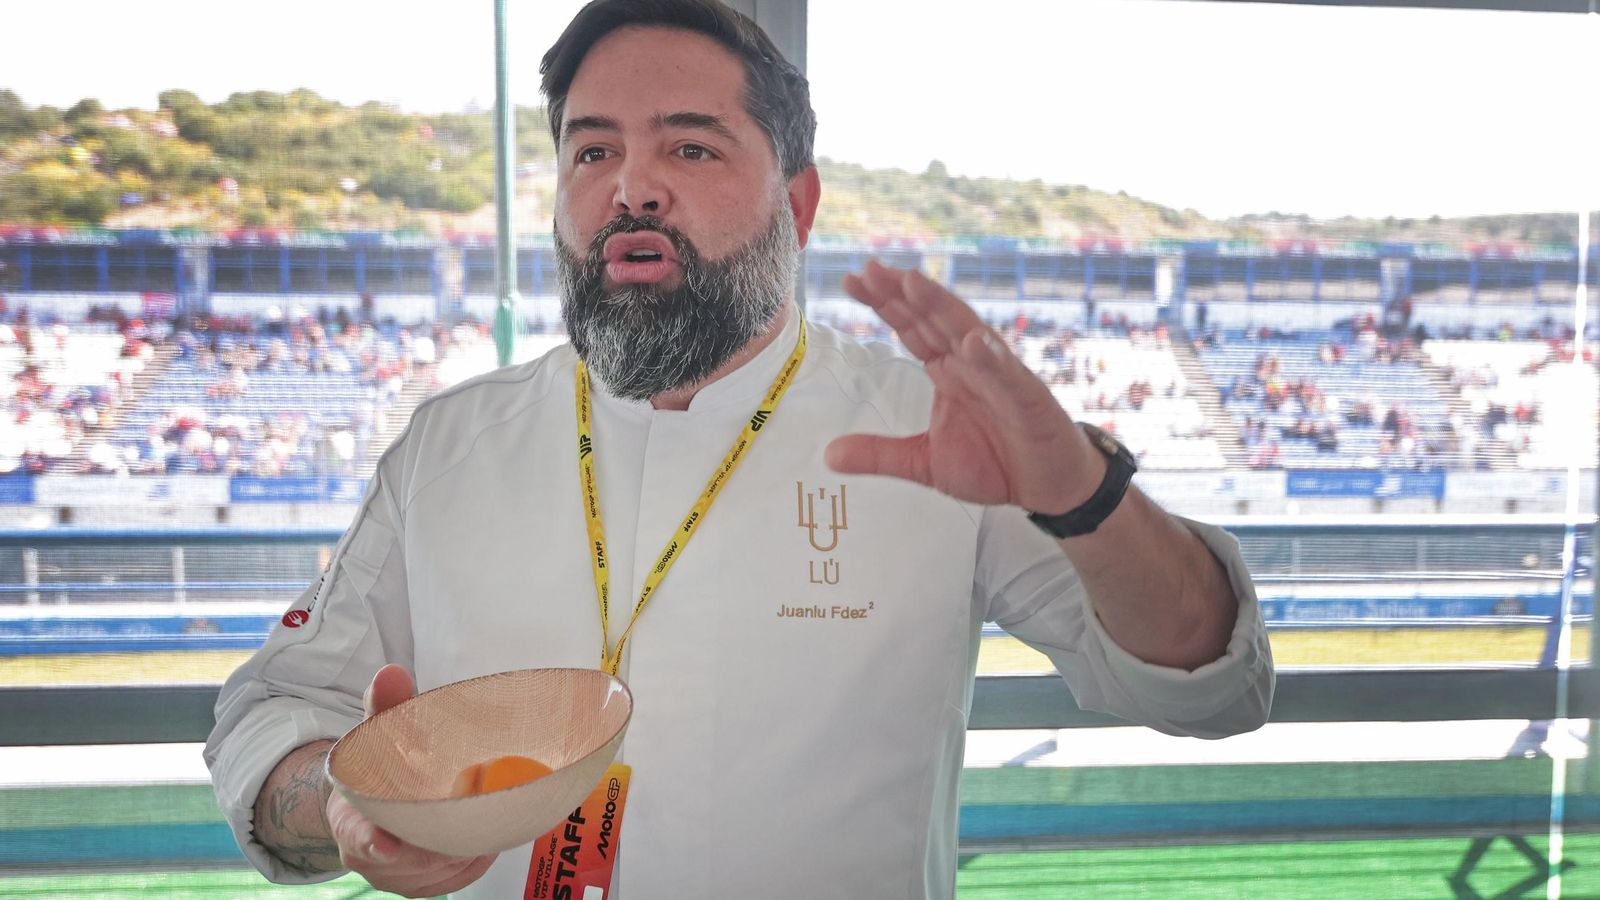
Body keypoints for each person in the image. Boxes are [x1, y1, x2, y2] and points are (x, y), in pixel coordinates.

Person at [204, 1, 1274, 897]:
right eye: (592, 150)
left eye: (690, 145)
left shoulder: (936, 433)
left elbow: (1208, 689)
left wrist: (1083, 496)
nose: (631, 187)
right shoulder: (449, 447)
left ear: (796, 206)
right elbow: (274, 713)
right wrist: (343, 806)